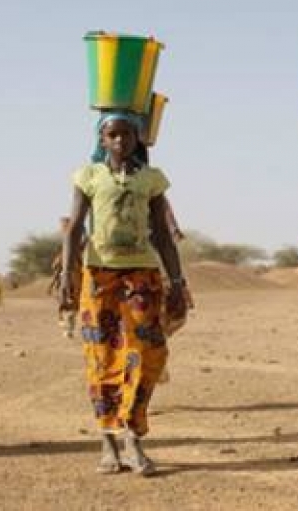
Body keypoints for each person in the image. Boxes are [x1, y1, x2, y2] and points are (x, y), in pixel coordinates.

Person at [59, 111, 187, 477]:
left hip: (142, 275)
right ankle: (109, 440)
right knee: (101, 356)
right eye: (112, 135)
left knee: (147, 352)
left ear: (137, 140)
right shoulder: (89, 176)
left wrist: (177, 281)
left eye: (126, 135)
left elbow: (162, 234)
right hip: (99, 276)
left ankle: (133, 434)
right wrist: (69, 275)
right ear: (102, 140)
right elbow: (73, 229)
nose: (119, 141)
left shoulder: (151, 179)